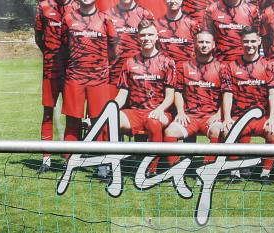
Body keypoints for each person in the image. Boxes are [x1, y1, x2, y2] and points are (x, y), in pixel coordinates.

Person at [114, 20, 176, 174]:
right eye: (143, 35)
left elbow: (170, 96)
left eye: (150, 34)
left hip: (160, 112)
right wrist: (110, 110)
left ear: (156, 37)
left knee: (153, 122)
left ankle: (151, 170)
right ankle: (110, 167)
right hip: (135, 112)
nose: (146, 38)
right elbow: (122, 94)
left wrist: (160, 109)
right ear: (138, 37)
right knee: (111, 119)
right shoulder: (129, 62)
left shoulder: (167, 62)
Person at [220, 27, 274, 181]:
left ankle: (265, 173)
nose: (250, 44)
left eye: (253, 41)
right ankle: (235, 173)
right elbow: (228, 94)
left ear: (259, 41)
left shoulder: (269, 65)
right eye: (246, 41)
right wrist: (227, 117)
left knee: (272, 131)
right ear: (241, 42)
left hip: (261, 117)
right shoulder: (231, 66)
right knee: (228, 130)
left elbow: (273, 94)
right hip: (239, 116)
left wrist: (272, 118)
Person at [164, 30, 225, 165]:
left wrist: (219, 114)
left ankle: (206, 171)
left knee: (217, 130)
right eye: (201, 42)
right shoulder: (183, 66)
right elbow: (178, 91)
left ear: (213, 45)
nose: (204, 45)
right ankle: (175, 170)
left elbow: (226, 94)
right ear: (195, 44)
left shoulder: (222, 67)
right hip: (190, 117)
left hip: (210, 117)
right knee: (170, 131)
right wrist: (180, 112)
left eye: (207, 42)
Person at [61, 0, 117, 145]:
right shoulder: (68, 18)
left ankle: (101, 163)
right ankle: (70, 160)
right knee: (72, 120)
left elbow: (113, 49)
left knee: (99, 120)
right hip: (75, 78)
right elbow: (64, 47)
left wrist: (100, 67)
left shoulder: (105, 19)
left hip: (98, 80)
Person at [35, 0, 73, 172]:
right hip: (50, 71)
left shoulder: (78, 6)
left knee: (72, 115)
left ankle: (69, 160)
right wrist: (50, 55)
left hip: (71, 70)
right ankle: (46, 160)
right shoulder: (43, 6)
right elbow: (38, 37)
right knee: (48, 113)